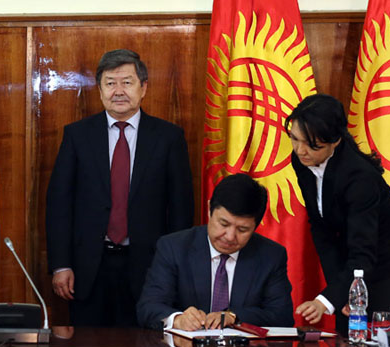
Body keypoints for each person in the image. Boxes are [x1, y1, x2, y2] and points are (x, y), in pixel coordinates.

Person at [46, 49, 194, 326]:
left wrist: (176, 270)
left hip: (150, 267)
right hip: (88, 267)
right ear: (100, 89)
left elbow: (180, 210)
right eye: (110, 83)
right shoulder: (77, 135)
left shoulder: (168, 138)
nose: (118, 91)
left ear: (143, 87)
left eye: (127, 82)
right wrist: (61, 264)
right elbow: (59, 205)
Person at [288, 94, 390, 331]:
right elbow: (321, 229)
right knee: (347, 334)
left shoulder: (360, 179)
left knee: (380, 338)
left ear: (335, 141)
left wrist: (325, 301)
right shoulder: (302, 161)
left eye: (311, 144)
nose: (300, 150)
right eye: (294, 139)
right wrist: (338, 293)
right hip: (356, 261)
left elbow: (363, 250)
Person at [136, 173, 294, 330]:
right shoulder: (174, 247)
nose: (230, 237)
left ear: (255, 227)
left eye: (242, 229)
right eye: (223, 224)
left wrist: (234, 316)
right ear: (209, 210)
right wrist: (177, 319)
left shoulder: (271, 256)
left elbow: (282, 316)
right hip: (185, 346)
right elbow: (149, 306)